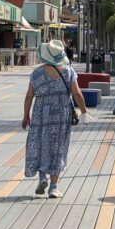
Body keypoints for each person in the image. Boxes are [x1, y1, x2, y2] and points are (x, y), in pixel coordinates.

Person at [22, 39, 88, 199]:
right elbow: (77, 93)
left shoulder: (36, 74)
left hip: (40, 115)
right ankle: (53, 187)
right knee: (58, 149)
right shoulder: (68, 72)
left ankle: (42, 178)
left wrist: (26, 115)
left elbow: (29, 96)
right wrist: (84, 112)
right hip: (61, 116)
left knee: (40, 145)